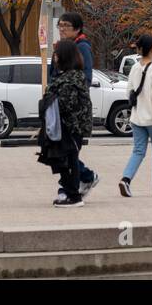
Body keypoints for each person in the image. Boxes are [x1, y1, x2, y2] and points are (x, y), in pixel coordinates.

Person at [38, 39, 93, 207]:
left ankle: (73, 196)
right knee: (65, 160)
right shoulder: (69, 76)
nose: (54, 57)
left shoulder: (71, 78)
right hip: (65, 127)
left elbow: (65, 105)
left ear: (63, 56)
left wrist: (48, 100)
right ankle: (70, 193)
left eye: (56, 54)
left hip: (69, 128)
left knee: (69, 161)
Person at [119, 35, 152, 198]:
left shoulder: (135, 67)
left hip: (137, 117)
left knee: (138, 151)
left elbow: (128, 92)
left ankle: (126, 179)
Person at [56, 13, 99, 196]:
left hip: (75, 111)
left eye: (66, 25)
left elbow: (86, 79)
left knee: (68, 153)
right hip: (59, 109)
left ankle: (70, 188)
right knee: (62, 152)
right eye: (60, 25)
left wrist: (71, 97)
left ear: (77, 28)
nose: (62, 28)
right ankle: (83, 179)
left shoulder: (82, 48)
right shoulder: (61, 48)